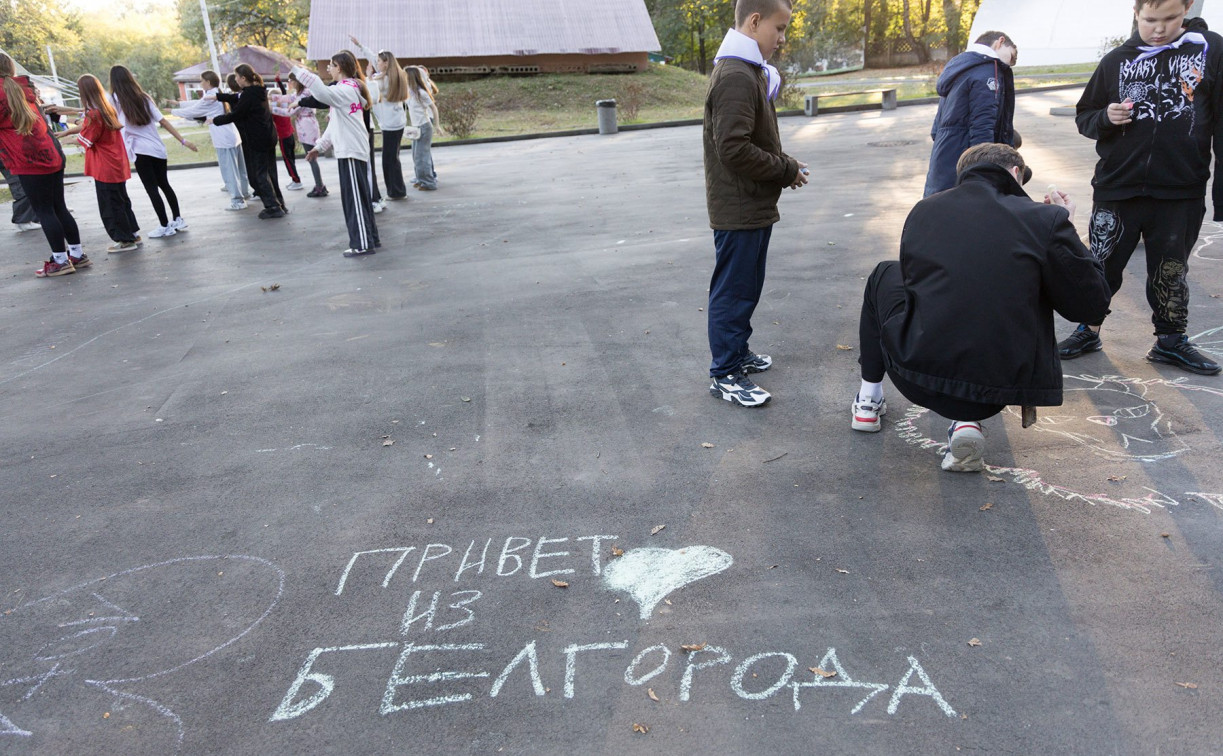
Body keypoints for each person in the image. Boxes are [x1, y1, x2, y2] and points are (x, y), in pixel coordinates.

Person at [851, 144, 1111, 472]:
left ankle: (869, 399)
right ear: (1015, 173)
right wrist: (1067, 230)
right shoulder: (1044, 220)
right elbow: (1092, 306)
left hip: (917, 374)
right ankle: (966, 422)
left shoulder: (925, 210)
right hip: (1000, 384)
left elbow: (920, 289)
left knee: (886, 273)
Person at [1057, 0, 1223, 376]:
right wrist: (1106, 117)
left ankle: (1170, 341)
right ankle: (1089, 328)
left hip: (1181, 188)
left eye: (1170, 19)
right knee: (1100, 264)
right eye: (1150, 20)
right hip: (1117, 186)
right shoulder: (1116, 59)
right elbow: (1085, 115)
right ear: (1136, 13)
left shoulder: (1211, 50)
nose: (1159, 29)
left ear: (1187, 10)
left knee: (1170, 270)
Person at [704, 0, 808, 407]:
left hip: (750, 203)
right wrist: (785, 168)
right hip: (740, 206)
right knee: (733, 291)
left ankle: (737, 354)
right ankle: (725, 372)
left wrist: (785, 167)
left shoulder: (746, 71)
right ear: (753, 21)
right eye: (778, 29)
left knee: (745, 288)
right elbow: (733, 148)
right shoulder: (735, 75)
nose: (781, 40)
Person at [0, 52, 84, 277]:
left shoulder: (2, 93)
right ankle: (76, 254)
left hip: (28, 159)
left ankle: (60, 260)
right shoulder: (24, 89)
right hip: (51, 153)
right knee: (59, 207)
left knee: (44, 211)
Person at [292, 52, 380, 256]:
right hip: (349, 150)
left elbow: (321, 94)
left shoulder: (347, 89)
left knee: (355, 200)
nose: (328, 69)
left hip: (351, 150)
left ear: (339, 67)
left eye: (331, 65)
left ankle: (363, 244)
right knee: (358, 199)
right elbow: (334, 124)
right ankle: (369, 239)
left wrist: (297, 70)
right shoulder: (347, 89)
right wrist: (319, 147)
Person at [923, 31, 1018, 197]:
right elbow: (983, 124)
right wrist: (984, 171)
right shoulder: (988, 70)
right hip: (968, 160)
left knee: (940, 207)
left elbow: (936, 128)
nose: (1010, 64)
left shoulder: (960, 66)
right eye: (1011, 56)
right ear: (1000, 42)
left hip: (944, 155)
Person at [55, 74, 141, 253]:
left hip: (104, 166)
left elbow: (86, 138)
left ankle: (125, 240)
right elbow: (85, 123)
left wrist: (66, 139)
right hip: (115, 163)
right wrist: (66, 127)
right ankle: (132, 233)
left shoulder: (94, 114)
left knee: (110, 204)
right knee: (121, 200)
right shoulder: (106, 108)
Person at [108, 65, 197, 238]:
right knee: (164, 184)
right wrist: (183, 140)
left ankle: (165, 225)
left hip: (140, 151)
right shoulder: (144, 97)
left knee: (152, 189)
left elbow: (111, 122)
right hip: (157, 149)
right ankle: (177, 219)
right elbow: (163, 121)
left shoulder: (114, 99)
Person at [211, 64, 287, 219]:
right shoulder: (259, 90)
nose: (236, 80)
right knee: (270, 172)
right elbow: (236, 98)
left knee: (260, 174)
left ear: (243, 78)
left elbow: (236, 114)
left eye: (237, 77)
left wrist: (215, 120)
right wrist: (218, 97)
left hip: (258, 138)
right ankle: (279, 203)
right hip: (268, 136)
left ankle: (273, 207)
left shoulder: (248, 95)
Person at [171, 70, 249, 211]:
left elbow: (195, 110)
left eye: (201, 81)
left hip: (223, 137)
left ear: (208, 82)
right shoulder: (215, 93)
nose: (200, 84)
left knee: (229, 170)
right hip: (231, 135)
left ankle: (238, 200)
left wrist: (172, 112)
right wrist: (179, 104)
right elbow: (198, 104)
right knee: (239, 169)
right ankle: (244, 192)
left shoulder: (211, 95)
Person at [350, 36, 410, 199]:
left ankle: (396, 191)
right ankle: (398, 190)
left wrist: (368, 76)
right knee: (393, 158)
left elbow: (372, 95)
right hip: (396, 121)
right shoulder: (395, 74)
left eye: (379, 61)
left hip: (390, 124)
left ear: (386, 63)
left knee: (389, 160)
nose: (376, 63)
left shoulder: (382, 80)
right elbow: (374, 59)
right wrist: (360, 46)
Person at [271, 74, 328, 197]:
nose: (289, 82)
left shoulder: (304, 94)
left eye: (291, 80)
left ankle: (319, 186)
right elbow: (288, 98)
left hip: (307, 128)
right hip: (305, 126)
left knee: (311, 158)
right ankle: (319, 185)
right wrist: (272, 98)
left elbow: (289, 112)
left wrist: (271, 109)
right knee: (312, 158)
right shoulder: (300, 93)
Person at [406, 66, 439, 191]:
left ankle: (429, 182)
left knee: (422, 156)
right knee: (416, 156)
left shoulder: (421, 93)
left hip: (424, 127)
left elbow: (434, 108)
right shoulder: (410, 92)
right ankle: (421, 179)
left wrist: (437, 126)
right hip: (416, 128)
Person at [272, 73, 304, 191]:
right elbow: (284, 93)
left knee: (288, 160)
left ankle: (296, 180)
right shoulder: (286, 104)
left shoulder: (276, 111)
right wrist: (278, 80)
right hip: (290, 135)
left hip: (283, 138)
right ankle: (295, 179)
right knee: (292, 159)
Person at [1, 156, 40, 231]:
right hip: (7, 155)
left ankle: (30, 217)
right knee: (20, 184)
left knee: (24, 182)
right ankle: (23, 221)